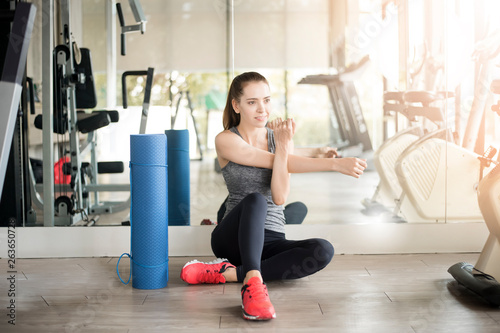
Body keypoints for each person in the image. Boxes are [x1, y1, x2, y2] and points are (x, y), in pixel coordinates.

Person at [180, 72, 367, 321]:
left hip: (270, 240)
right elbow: (277, 159)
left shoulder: (277, 140)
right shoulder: (226, 140)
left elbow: (279, 196)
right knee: (256, 199)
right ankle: (253, 283)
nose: (262, 109)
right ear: (236, 105)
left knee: (323, 250)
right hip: (232, 239)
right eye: (252, 102)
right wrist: (333, 164)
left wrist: (312, 150)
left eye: (267, 100)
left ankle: (227, 273)